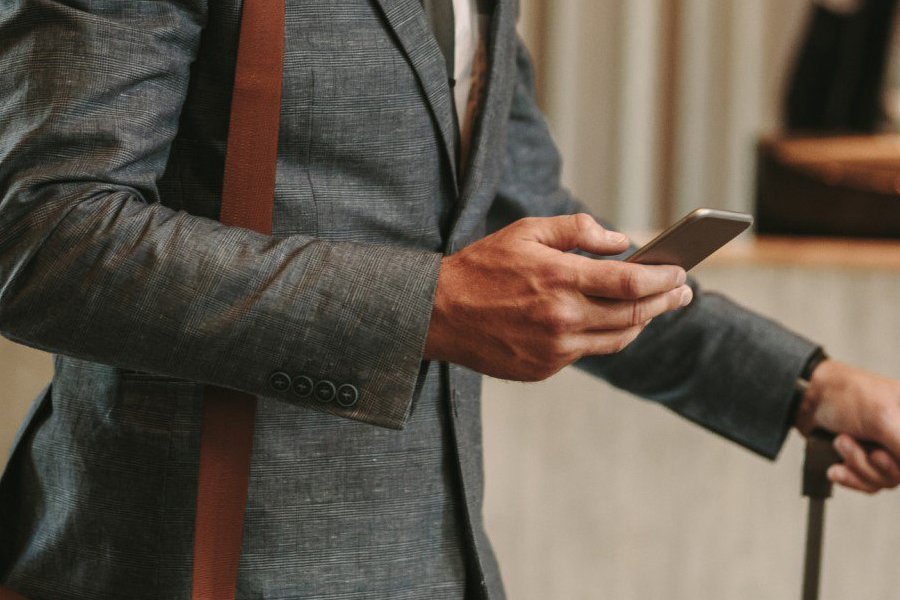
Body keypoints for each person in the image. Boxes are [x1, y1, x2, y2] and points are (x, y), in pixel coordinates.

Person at [0, 0, 898, 598]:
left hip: (443, 562)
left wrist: (804, 385)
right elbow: (44, 236)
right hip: (196, 563)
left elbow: (529, 218)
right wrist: (427, 305)